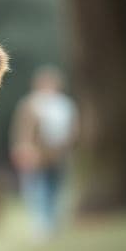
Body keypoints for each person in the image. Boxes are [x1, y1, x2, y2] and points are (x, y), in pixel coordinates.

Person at [10, 66, 78, 239]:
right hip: (37, 154)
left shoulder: (65, 105)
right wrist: (23, 148)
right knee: (37, 188)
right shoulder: (31, 104)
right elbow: (23, 130)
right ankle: (41, 224)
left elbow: (72, 131)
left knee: (55, 188)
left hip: (59, 154)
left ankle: (53, 222)